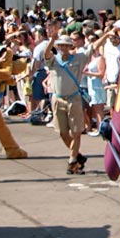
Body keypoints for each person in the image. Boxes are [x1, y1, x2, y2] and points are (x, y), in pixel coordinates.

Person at [43, 36, 90, 176]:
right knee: (63, 133)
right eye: (61, 45)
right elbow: (46, 54)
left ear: (71, 47)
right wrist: (52, 39)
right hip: (58, 100)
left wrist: (107, 34)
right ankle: (78, 155)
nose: (63, 48)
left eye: (66, 45)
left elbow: (92, 49)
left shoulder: (78, 59)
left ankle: (72, 161)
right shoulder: (53, 60)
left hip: (74, 99)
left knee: (76, 132)